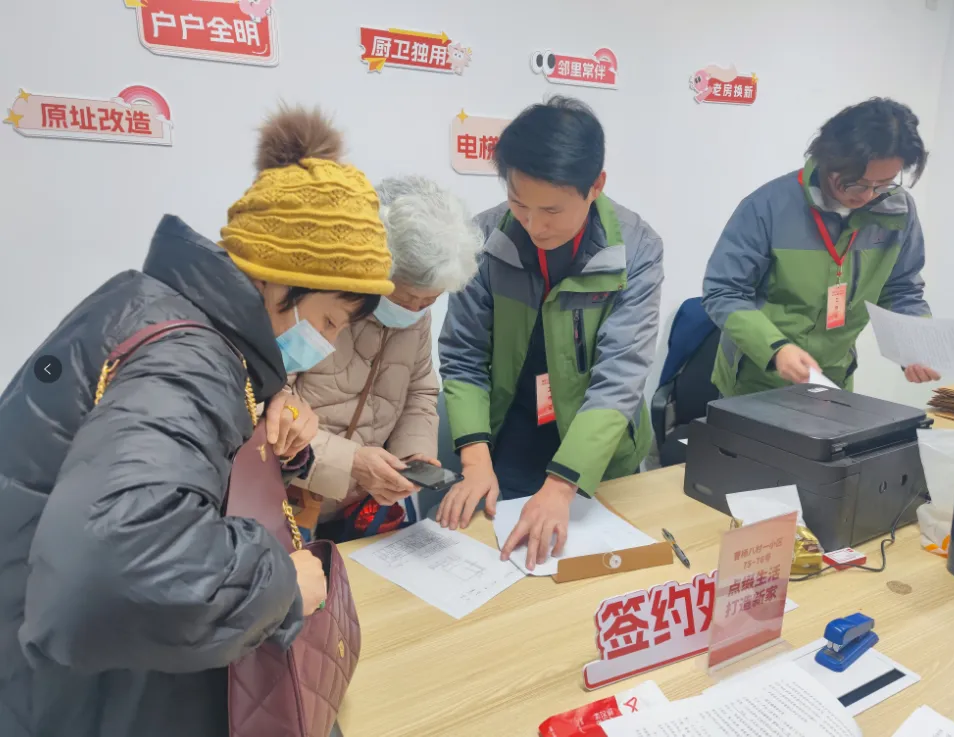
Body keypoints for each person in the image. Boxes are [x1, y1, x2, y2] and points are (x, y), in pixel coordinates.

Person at [0, 105, 394, 737]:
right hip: (82, 695)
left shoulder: (167, 313)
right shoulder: (187, 361)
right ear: (281, 282)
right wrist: (278, 585)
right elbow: (116, 562)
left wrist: (266, 415)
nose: (326, 345)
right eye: (328, 321)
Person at [437, 97, 664, 571]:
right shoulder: (485, 240)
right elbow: (463, 356)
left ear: (595, 186)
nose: (534, 225)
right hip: (512, 436)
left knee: (595, 575)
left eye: (552, 210)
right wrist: (476, 462)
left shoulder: (636, 248)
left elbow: (620, 377)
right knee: (503, 566)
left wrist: (562, 486)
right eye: (519, 204)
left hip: (596, 453)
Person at [287, 175, 483, 541]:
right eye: (406, 297)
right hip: (289, 500)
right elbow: (266, 411)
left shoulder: (416, 315)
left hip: (363, 505)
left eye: (429, 301)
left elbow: (419, 391)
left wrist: (414, 458)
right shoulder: (313, 305)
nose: (416, 310)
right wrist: (351, 461)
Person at [703, 97, 940, 397]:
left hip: (833, 377)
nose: (868, 195)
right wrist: (776, 349)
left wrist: (915, 345)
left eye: (883, 183)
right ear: (830, 160)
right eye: (856, 183)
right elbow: (724, 292)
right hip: (757, 378)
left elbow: (902, 289)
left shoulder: (897, 210)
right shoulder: (768, 206)